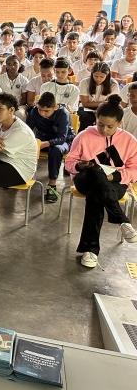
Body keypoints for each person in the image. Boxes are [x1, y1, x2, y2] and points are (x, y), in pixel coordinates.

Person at [65, 95, 137, 268]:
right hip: (85, 178)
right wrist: (81, 165)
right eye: (100, 124)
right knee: (96, 171)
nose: (104, 130)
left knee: (96, 195)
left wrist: (115, 176)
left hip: (115, 183)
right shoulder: (83, 136)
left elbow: (134, 169)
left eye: (110, 126)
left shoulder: (129, 141)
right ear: (96, 120)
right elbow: (69, 162)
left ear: (119, 123)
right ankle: (122, 220)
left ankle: (90, 251)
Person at [26, 92, 72, 204]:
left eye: (46, 111)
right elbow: (27, 130)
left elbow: (62, 138)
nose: (42, 113)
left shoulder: (63, 113)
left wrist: (44, 144)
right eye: (40, 109)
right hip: (42, 139)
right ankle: (20, 176)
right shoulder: (34, 111)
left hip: (63, 141)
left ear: (55, 107)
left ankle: (52, 185)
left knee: (55, 150)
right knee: (25, 146)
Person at [78, 62, 118, 130]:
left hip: (105, 109)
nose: (98, 79)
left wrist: (102, 104)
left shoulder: (113, 84)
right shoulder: (84, 82)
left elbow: (111, 103)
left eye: (102, 77)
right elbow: (85, 103)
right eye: (95, 76)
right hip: (87, 109)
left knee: (108, 118)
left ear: (107, 75)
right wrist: (104, 103)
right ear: (92, 74)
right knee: (86, 118)